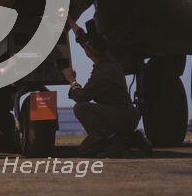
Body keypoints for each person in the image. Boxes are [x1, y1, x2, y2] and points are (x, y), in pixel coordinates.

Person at [64, 18, 152, 157]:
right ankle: (131, 139)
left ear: (88, 52)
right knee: (84, 150)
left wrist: (72, 81)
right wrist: (70, 21)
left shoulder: (103, 73)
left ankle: (112, 142)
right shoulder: (109, 60)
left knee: (81, 108)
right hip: (127, 116)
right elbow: (84, 40)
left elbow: (81, 97)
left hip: (121, 118)